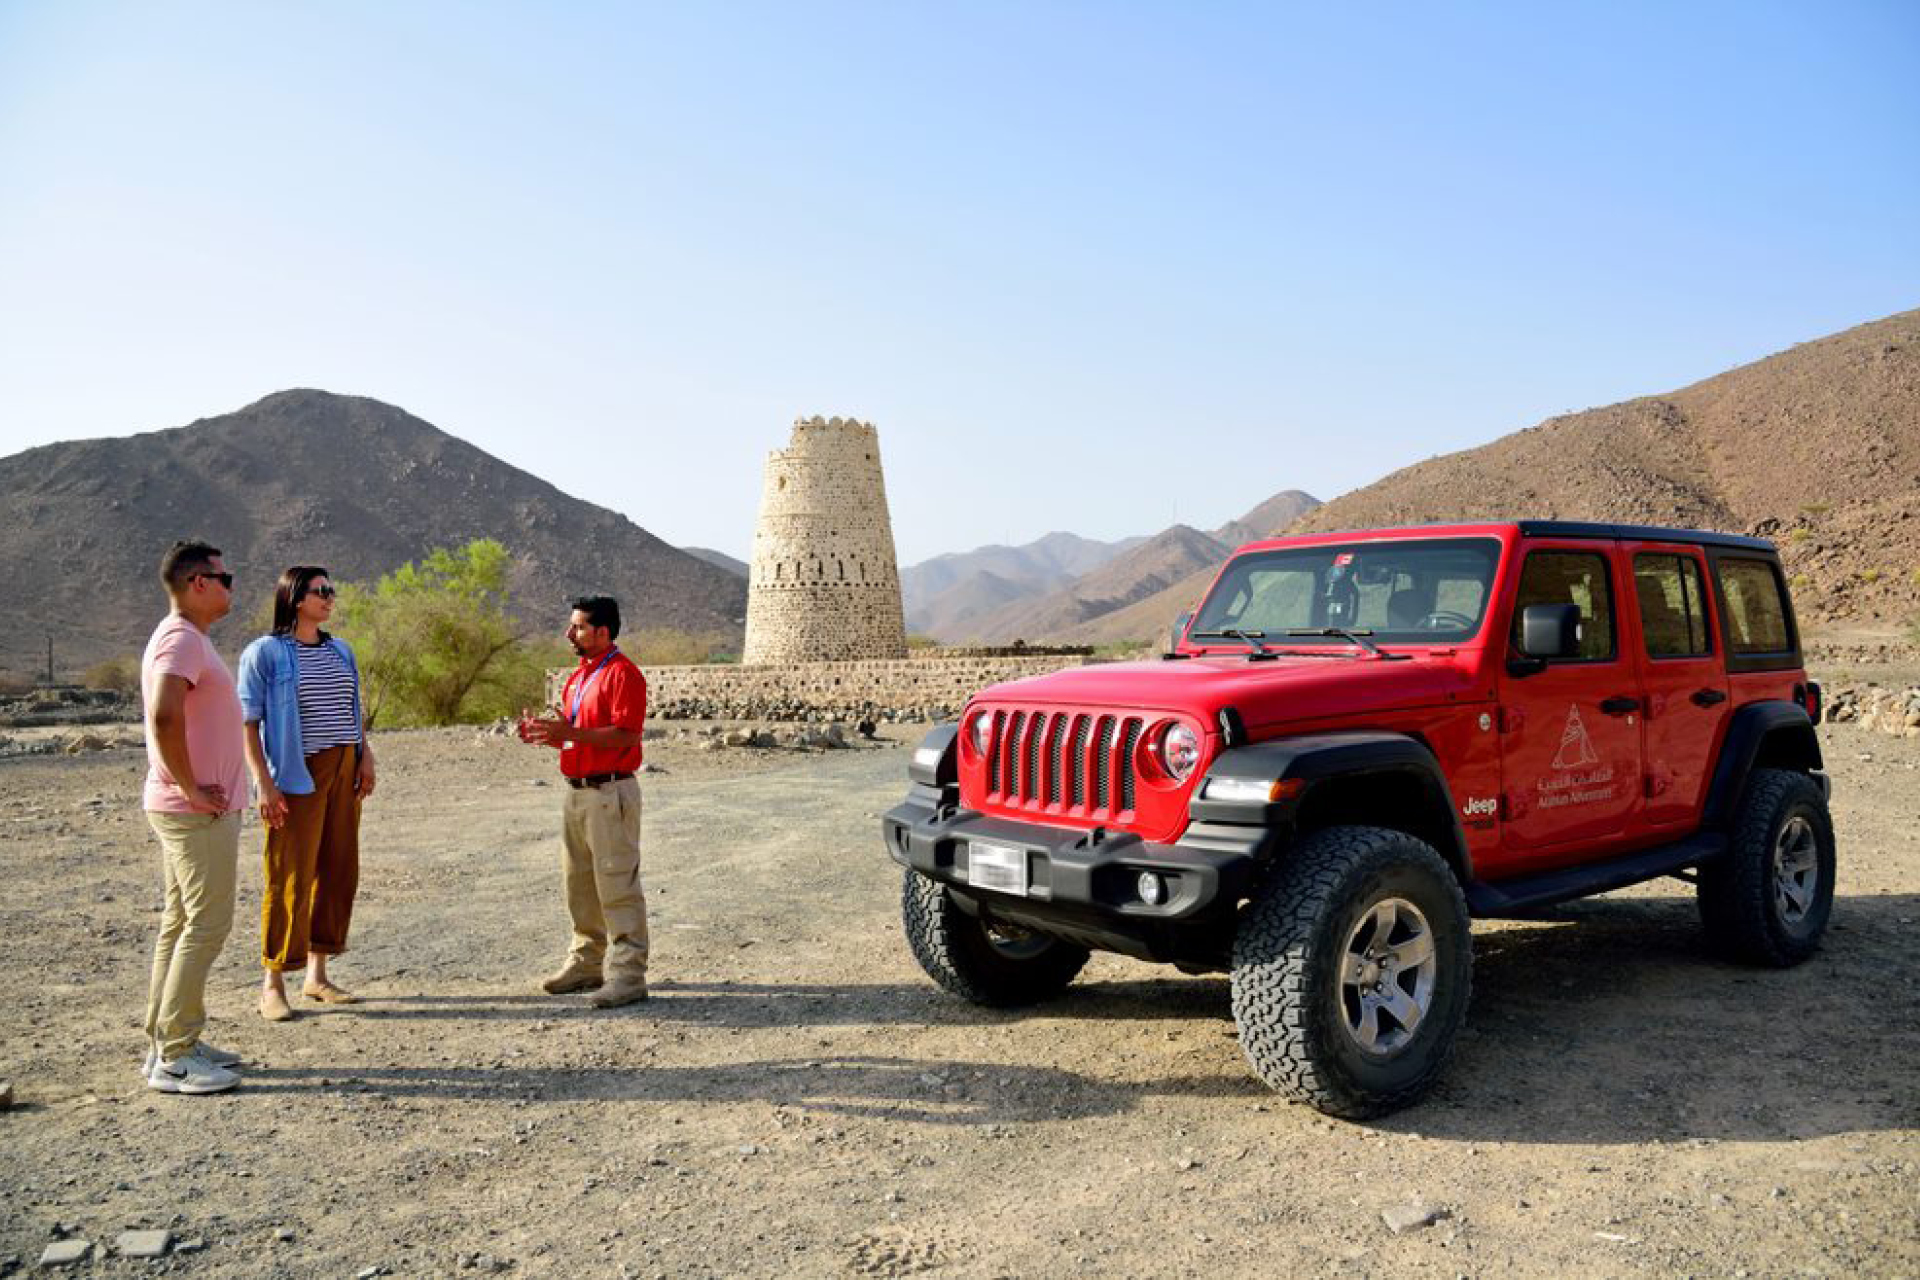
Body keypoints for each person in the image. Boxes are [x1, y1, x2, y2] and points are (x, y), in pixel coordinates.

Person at [237, 566, 375, 1022]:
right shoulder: (265, 654)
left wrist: (365, 756)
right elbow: (249, 724)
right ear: (296, 598)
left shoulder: (341, 650)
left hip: (345, 768)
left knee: (338, 870)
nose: (330, 598)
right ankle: (273, 983)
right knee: (289, 874)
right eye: (322, 591)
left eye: (331, 591)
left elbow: (352, 710)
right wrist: (263, 782)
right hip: (297, 774)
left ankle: (317, 974)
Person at [140, 540, 248, 1094]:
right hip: (193, 811)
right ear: (198, 583)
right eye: (224, 576)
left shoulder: (186, 638)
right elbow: (164, 715)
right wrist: (190, 787)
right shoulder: (182, 638)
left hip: (187, 808)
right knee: (206, 924)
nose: (231, 584)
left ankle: (166, 1040)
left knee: (180, 921)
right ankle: (176, 1055)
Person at [516, 595, 651, 1008]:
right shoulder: (578, 678)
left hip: (610, 792)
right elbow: (575, 730)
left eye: (577, 627)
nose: (568, 633)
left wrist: (570, 735)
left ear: (602, 632)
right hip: (576, 791)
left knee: (616, 881)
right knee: (580, 883)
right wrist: (546, 733)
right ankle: (587, 962)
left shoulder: (623, 675)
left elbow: (627, 735)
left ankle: (629, 974)